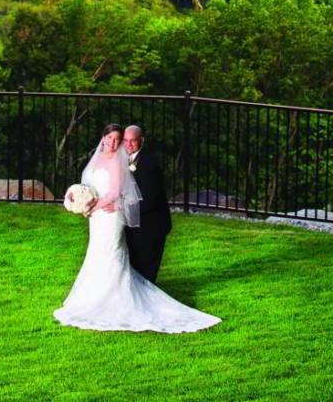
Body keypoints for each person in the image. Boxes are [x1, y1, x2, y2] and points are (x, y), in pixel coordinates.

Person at [53, 123, 221, 333]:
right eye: (117, 139)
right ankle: (92, 294)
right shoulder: (104, 158)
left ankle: (117, 298)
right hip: (97, 216)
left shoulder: (132, 161)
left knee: (112, 253)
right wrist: (79, 199)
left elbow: (118, 193)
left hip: (115, 215)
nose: (120, 143)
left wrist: (94, 206)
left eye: (122, 139)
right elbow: (92, 186)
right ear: (103, 138)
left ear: (141, 140)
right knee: (96, 253)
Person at [122, 124, 171, 283]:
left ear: (141, 140)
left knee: (145, 271)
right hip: (134, 222)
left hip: (150, 224)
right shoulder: (121, 158)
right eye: (126, 140)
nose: (129, 144)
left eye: (133, 141)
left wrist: (121, 209)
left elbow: (150, 199)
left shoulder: (150, 164)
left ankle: (146, 298)